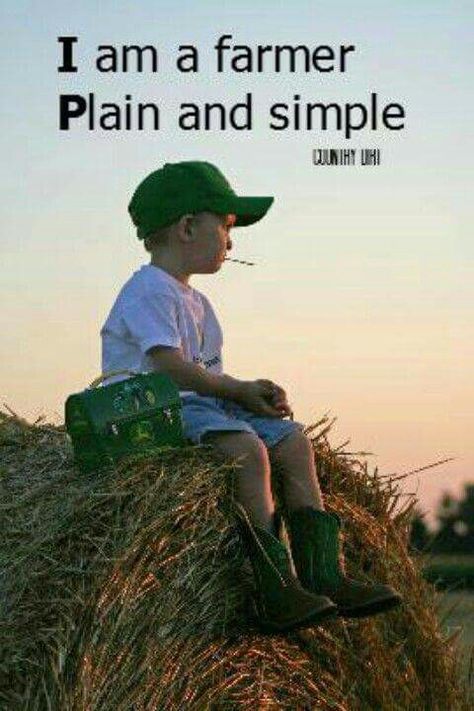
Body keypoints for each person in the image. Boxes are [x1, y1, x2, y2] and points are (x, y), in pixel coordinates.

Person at [100, 161, 402, 633]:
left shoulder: (197, 302)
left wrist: (250, 395)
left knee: (293, 442)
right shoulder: (146, 290)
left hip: (198, 404)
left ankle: (325, 574)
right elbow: (170, 369)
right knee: (247, 450)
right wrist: (237, 392)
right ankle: (275, 588)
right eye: (226, 226)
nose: (232, 241)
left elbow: (206, 377)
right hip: (148, 407)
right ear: (187, 227)